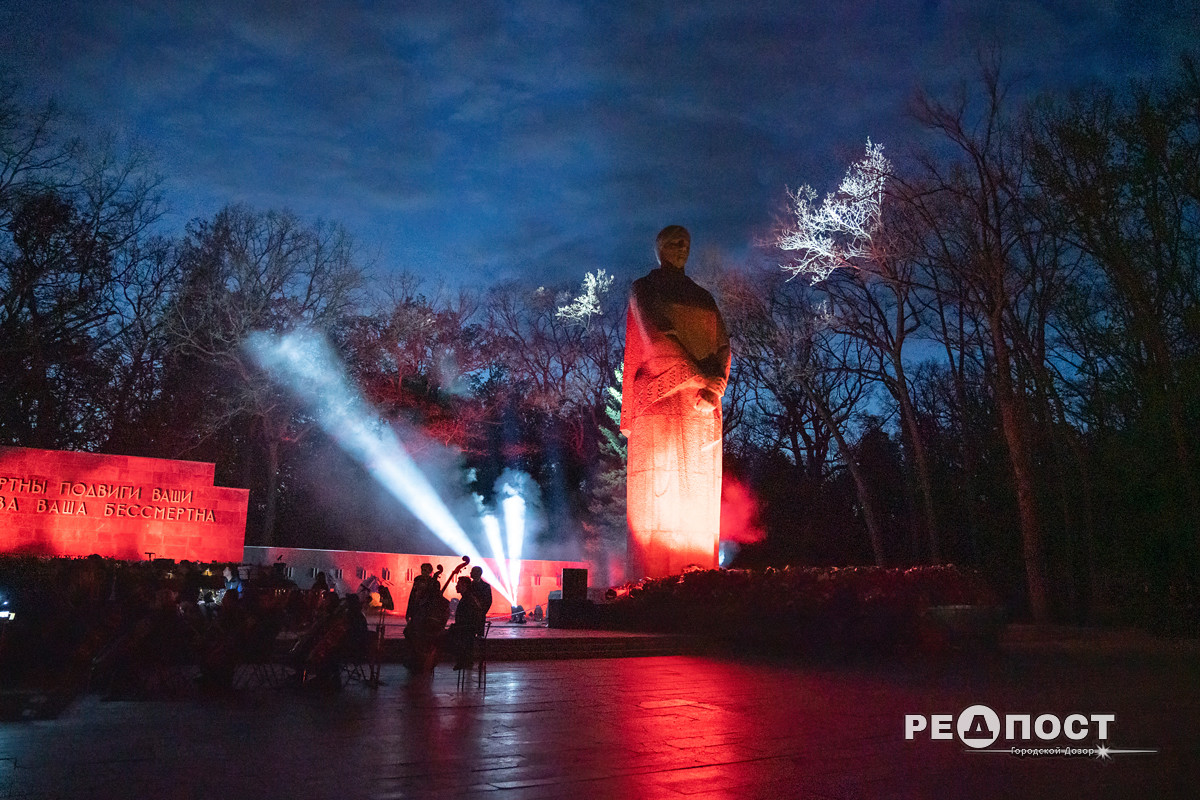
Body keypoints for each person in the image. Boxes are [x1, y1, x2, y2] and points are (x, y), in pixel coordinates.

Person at [621, 225, 730, 579]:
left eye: (686, 242)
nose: (682, 247)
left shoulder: (704, 297)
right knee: (660, 493)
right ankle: (653, 582)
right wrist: (701, 376)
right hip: (659, 399)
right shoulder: (644, 289)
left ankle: (697, 579)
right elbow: (656, 337)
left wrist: (717, 384)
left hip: (704, 405)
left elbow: (723, 346)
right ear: (659, 249)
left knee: (700, 495)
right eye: (674, 242)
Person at [447, 576, 484, 670]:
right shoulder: (468, 598)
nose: (456, 586)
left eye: (458, 584)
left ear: (464, 585)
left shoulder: (468, 599)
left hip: (465, 630)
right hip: (466, 629)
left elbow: (468, 618)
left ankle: (462, 660)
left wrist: (456, 628)